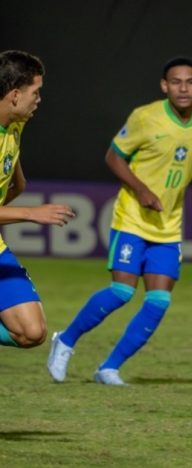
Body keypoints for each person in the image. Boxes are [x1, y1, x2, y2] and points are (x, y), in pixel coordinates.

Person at [46, 56, 192, 385]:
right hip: (132, 217)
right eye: (176, 82)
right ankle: (66, 340)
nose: (183, 88)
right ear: (164, 86)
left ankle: (109, 368)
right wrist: (141, 190)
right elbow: (113, 156)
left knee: (159, 300)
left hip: (168, 226)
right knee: (121, 292)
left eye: (190, 81)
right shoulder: (145, 117)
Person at [0, 50, 75, 349]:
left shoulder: (15, 122)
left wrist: (18, 182)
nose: (39, 100)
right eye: (36, 92)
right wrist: (31, 213)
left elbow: (9, 155)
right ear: (16, 95)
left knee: (31, 332)